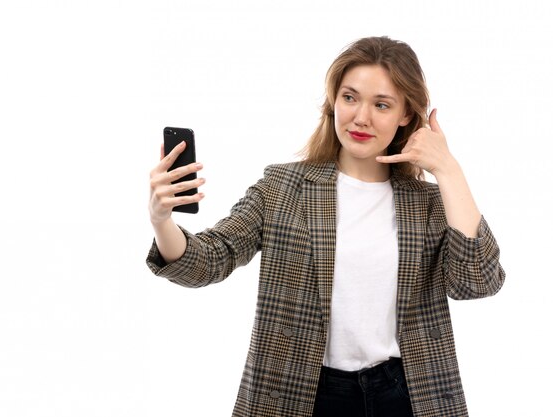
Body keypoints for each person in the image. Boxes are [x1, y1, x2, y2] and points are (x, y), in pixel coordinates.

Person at [146, 36, 505, 417]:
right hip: (300, 392)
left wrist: (448, 169)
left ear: (405, 115)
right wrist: (161, 220)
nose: (361, 117)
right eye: (350, 98)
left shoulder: (429, 203)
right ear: (334, 101)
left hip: (406, 393)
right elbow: (209, 260)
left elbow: (477, 282)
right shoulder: (282, 187)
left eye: (381, 104)